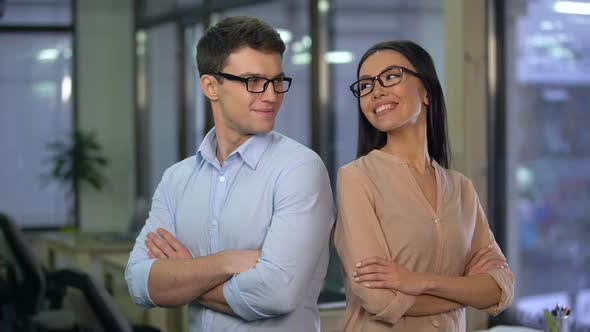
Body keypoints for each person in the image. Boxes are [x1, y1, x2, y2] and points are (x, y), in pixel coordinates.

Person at [125, 16, 334, 331]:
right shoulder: (177, 179)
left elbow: (276, 294)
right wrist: (227, 261)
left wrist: (186, 279)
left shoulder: (300, 169)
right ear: (211, 86)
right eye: (253, 81)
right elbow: (139, 283)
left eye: (277, 81)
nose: (271, 95)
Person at [334, 40, 514, 331]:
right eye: (365, 85)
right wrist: (467, 292)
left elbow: (501, 288)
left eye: (391, 76)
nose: (376, 90)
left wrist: (418, 282)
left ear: (427, 91)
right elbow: (380, 299)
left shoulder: (461, 188)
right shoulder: (356, 177)